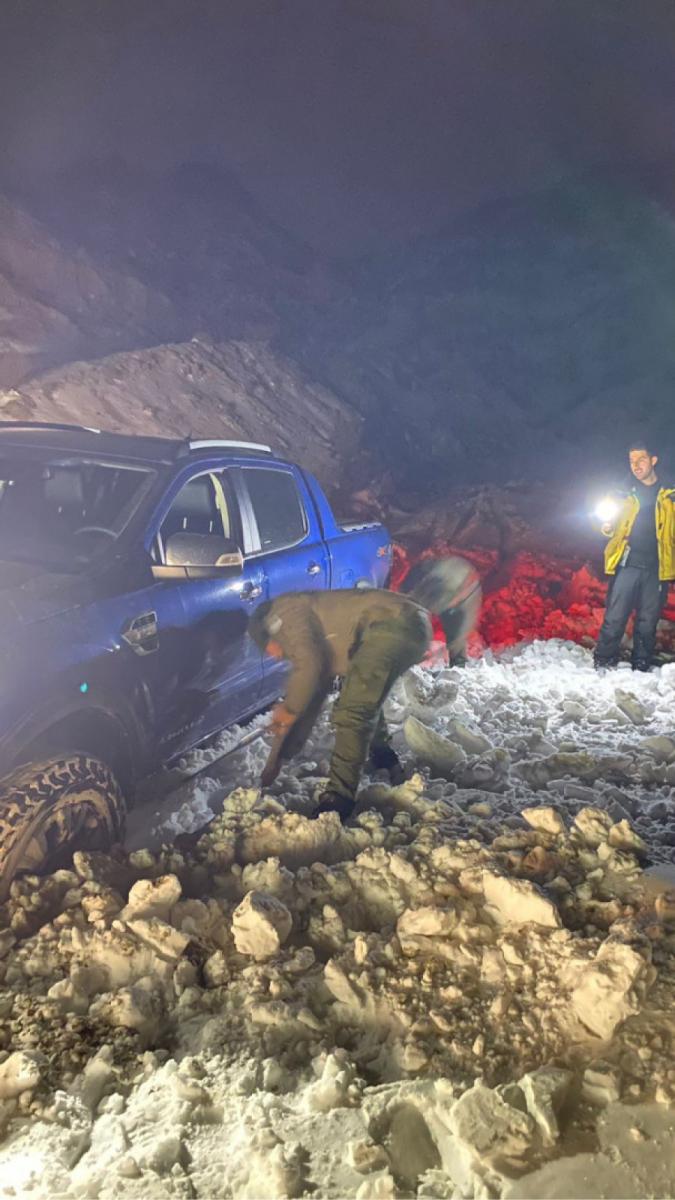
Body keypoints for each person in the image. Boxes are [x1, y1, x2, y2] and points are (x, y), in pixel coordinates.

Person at [248, 589, 433, 820]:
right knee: (360, 697)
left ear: (268, 633)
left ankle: (339, 800)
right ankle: (384, 756)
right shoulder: (302, 623)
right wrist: (281, 755)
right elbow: (313, 693)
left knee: (353, 711)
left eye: (268, 649)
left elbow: (309, 666)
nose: (275, 656)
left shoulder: (282, 612)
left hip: (390, 624)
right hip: (407, 623)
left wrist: (288, 710)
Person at [594, 440, 675, 671]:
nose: (636, 465)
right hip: (627, 562)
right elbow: (601, 521)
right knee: (615, 615)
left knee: (648, 620)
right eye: (631, 461)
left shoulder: (670, 495)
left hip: (657, 567)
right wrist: (606, 525)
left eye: (640, 459)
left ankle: (641, 663)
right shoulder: (621, 493)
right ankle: (603, 660)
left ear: (653, 460)